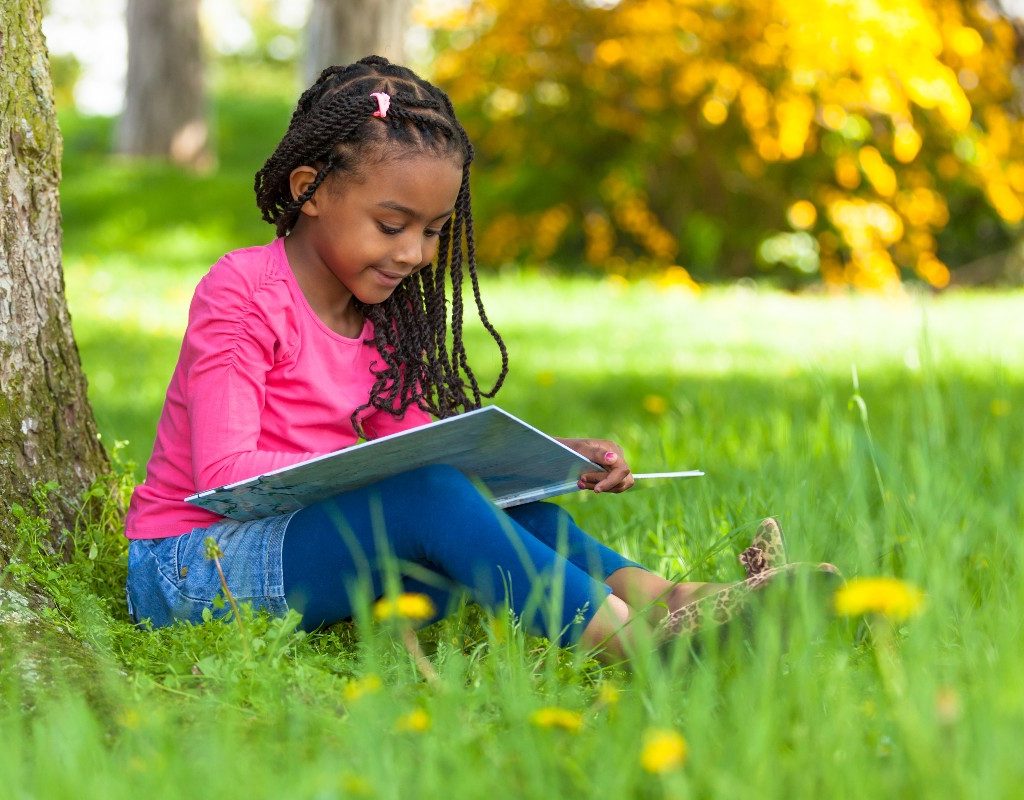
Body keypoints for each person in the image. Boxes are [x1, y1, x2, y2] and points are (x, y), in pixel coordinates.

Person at [124, 56, 829, 662]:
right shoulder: (243, 292)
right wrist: (405, 480)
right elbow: (222, 473)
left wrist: (553, 458)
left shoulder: (387, 317)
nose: (415, 255)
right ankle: (644, 648)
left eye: (433, 232)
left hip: (314, 551)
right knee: (431, 495)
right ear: (310, 188)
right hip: (195, 563)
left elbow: (426, 453)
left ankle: (672, 597)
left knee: (495, 507)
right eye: (392, 226)